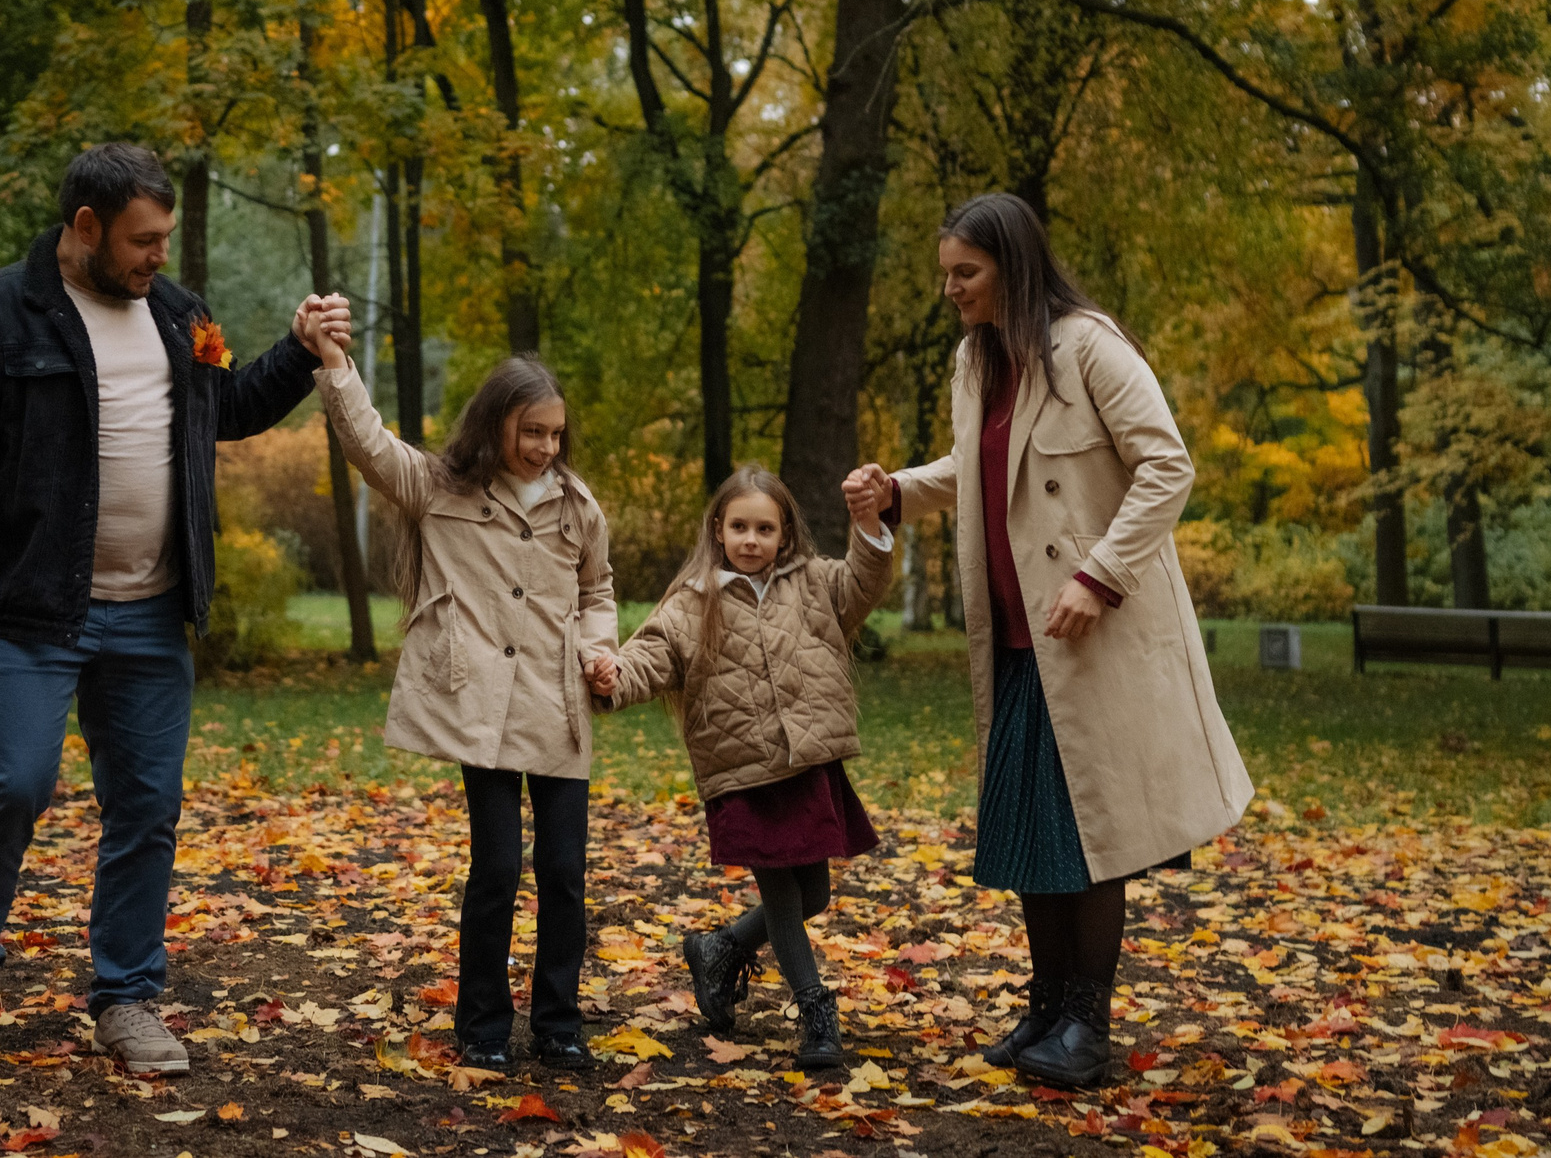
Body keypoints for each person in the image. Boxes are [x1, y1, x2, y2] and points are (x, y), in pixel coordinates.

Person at [0, 141, 349, 1074]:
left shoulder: (180, 315)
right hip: (29, 610)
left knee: (147, 805)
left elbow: (227, 407)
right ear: (87, 226)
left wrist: (298, 351)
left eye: (165, 238)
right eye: (142, 240)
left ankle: (128, 996)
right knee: (12, 785)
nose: (157, 256)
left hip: (150, 613)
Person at [856, 192, 1251, 1088]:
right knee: (1035, 830)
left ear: (1013, 265)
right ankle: (1044, 1007)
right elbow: (976, 466)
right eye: (946, 273)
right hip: (1013, 637)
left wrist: (1099, 575)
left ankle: (1087, 1023)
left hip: (1090, 637)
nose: (950, 289)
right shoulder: (976, 360)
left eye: (966, 272)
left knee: (1087, 830)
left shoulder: (1090, 347)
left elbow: (1168, 465)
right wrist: (898, 490)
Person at [299, 312, 618, 1071]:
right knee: (498, 867)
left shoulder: (577, 506)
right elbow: (370, 446)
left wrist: (600, 650)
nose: (545, 446)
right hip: (482, 708)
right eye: (531, 431)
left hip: (558, 708)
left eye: (555, 434)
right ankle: (482, 1026)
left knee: (565, 872)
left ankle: (559, 1023)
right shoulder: (440, 487)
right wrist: (336, 363)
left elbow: (598, 590)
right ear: (495, 422)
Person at [586, 466, 896, 1072]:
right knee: (782, 893)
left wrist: (868, 524)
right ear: (718, 530)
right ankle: (816, 1012)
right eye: (739, 527)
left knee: (814, 894)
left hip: (805, 761)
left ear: (785, 534)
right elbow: (652, 655)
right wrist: (613, 676)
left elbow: (865, 581)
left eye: (764, 529)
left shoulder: (815, 583)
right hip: (743, 771)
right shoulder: (692, 601)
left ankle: (721, 948)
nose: (751, 540)